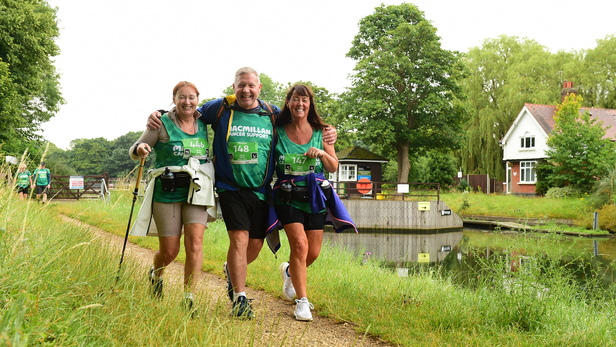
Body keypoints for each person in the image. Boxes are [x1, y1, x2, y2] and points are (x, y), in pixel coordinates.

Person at [147, 67, 337, 319]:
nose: (246, 90)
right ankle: (240, 298)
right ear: (234, 87)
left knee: (255, 246)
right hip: (230, 187)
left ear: (259, 88)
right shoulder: (220, 108)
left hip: (260, 189)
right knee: (238, 239)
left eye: (251, 86)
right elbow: (187, 110)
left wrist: (328, 131)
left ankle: (232, 271)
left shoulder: (271, 113)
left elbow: (299, 121)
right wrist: (160, 113)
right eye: (241, 85)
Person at [129, 81, 216, 316]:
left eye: (191, 97)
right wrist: (140, 150)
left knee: (195, 244)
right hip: (167, 190)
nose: (187, 102)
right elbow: (136, 147)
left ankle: (189, 297)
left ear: (198, 99)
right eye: (181, 97)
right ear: (174, 99)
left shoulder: (204, 121)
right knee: (170, 250)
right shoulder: (161, 122)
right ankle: (156, 273)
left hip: (197, 189)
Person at [270, 84, 352, 321]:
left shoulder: (322, 131)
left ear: (310, 104)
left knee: (313, 252)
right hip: (287, 196)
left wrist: (322, 153)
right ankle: (302, 302)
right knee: (299, 246)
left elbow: (333, 166)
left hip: (315, 196)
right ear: (288, 103)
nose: (300, 104)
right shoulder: (278, 130)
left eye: (304, 100)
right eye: (295, 99)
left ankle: (289, 272)